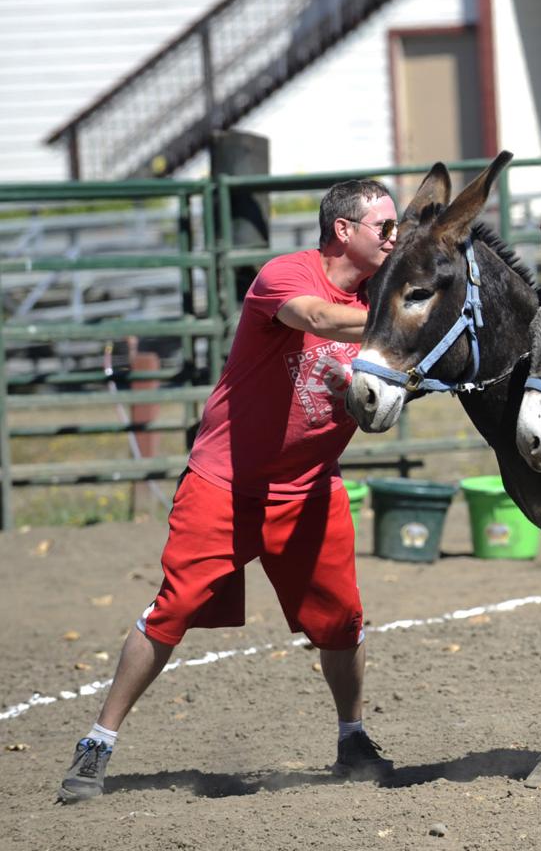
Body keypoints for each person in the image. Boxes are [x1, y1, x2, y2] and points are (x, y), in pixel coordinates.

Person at [58, 180, 401, 802]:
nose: (395, 237)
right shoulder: (287, 274)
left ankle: (352, 737)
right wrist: (405, 322)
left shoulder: (383, 295)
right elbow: (318, 318)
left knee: (342, 619)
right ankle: (97, 743)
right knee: (174, 608)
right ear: (344, 230)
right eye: (386, 226)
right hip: (226, 483)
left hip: (309, 490)